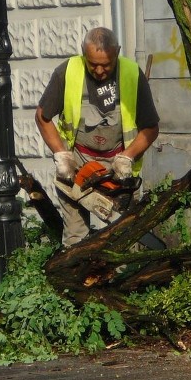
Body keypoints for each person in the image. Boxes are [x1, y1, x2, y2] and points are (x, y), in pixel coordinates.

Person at [35, 27, 159, 246]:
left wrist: (128, 157)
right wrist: (61, 155)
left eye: (107, 64)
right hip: (78, 164)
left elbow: (150, 128)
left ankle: (121, 279)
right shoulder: (67, 72)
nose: (100, 70)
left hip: (117, 165)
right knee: (75, 238)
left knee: (123, 239)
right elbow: (42, 117)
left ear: (117, 52)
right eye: (93, 64)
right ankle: (75, 275)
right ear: (83, 52)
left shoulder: (132, 74)